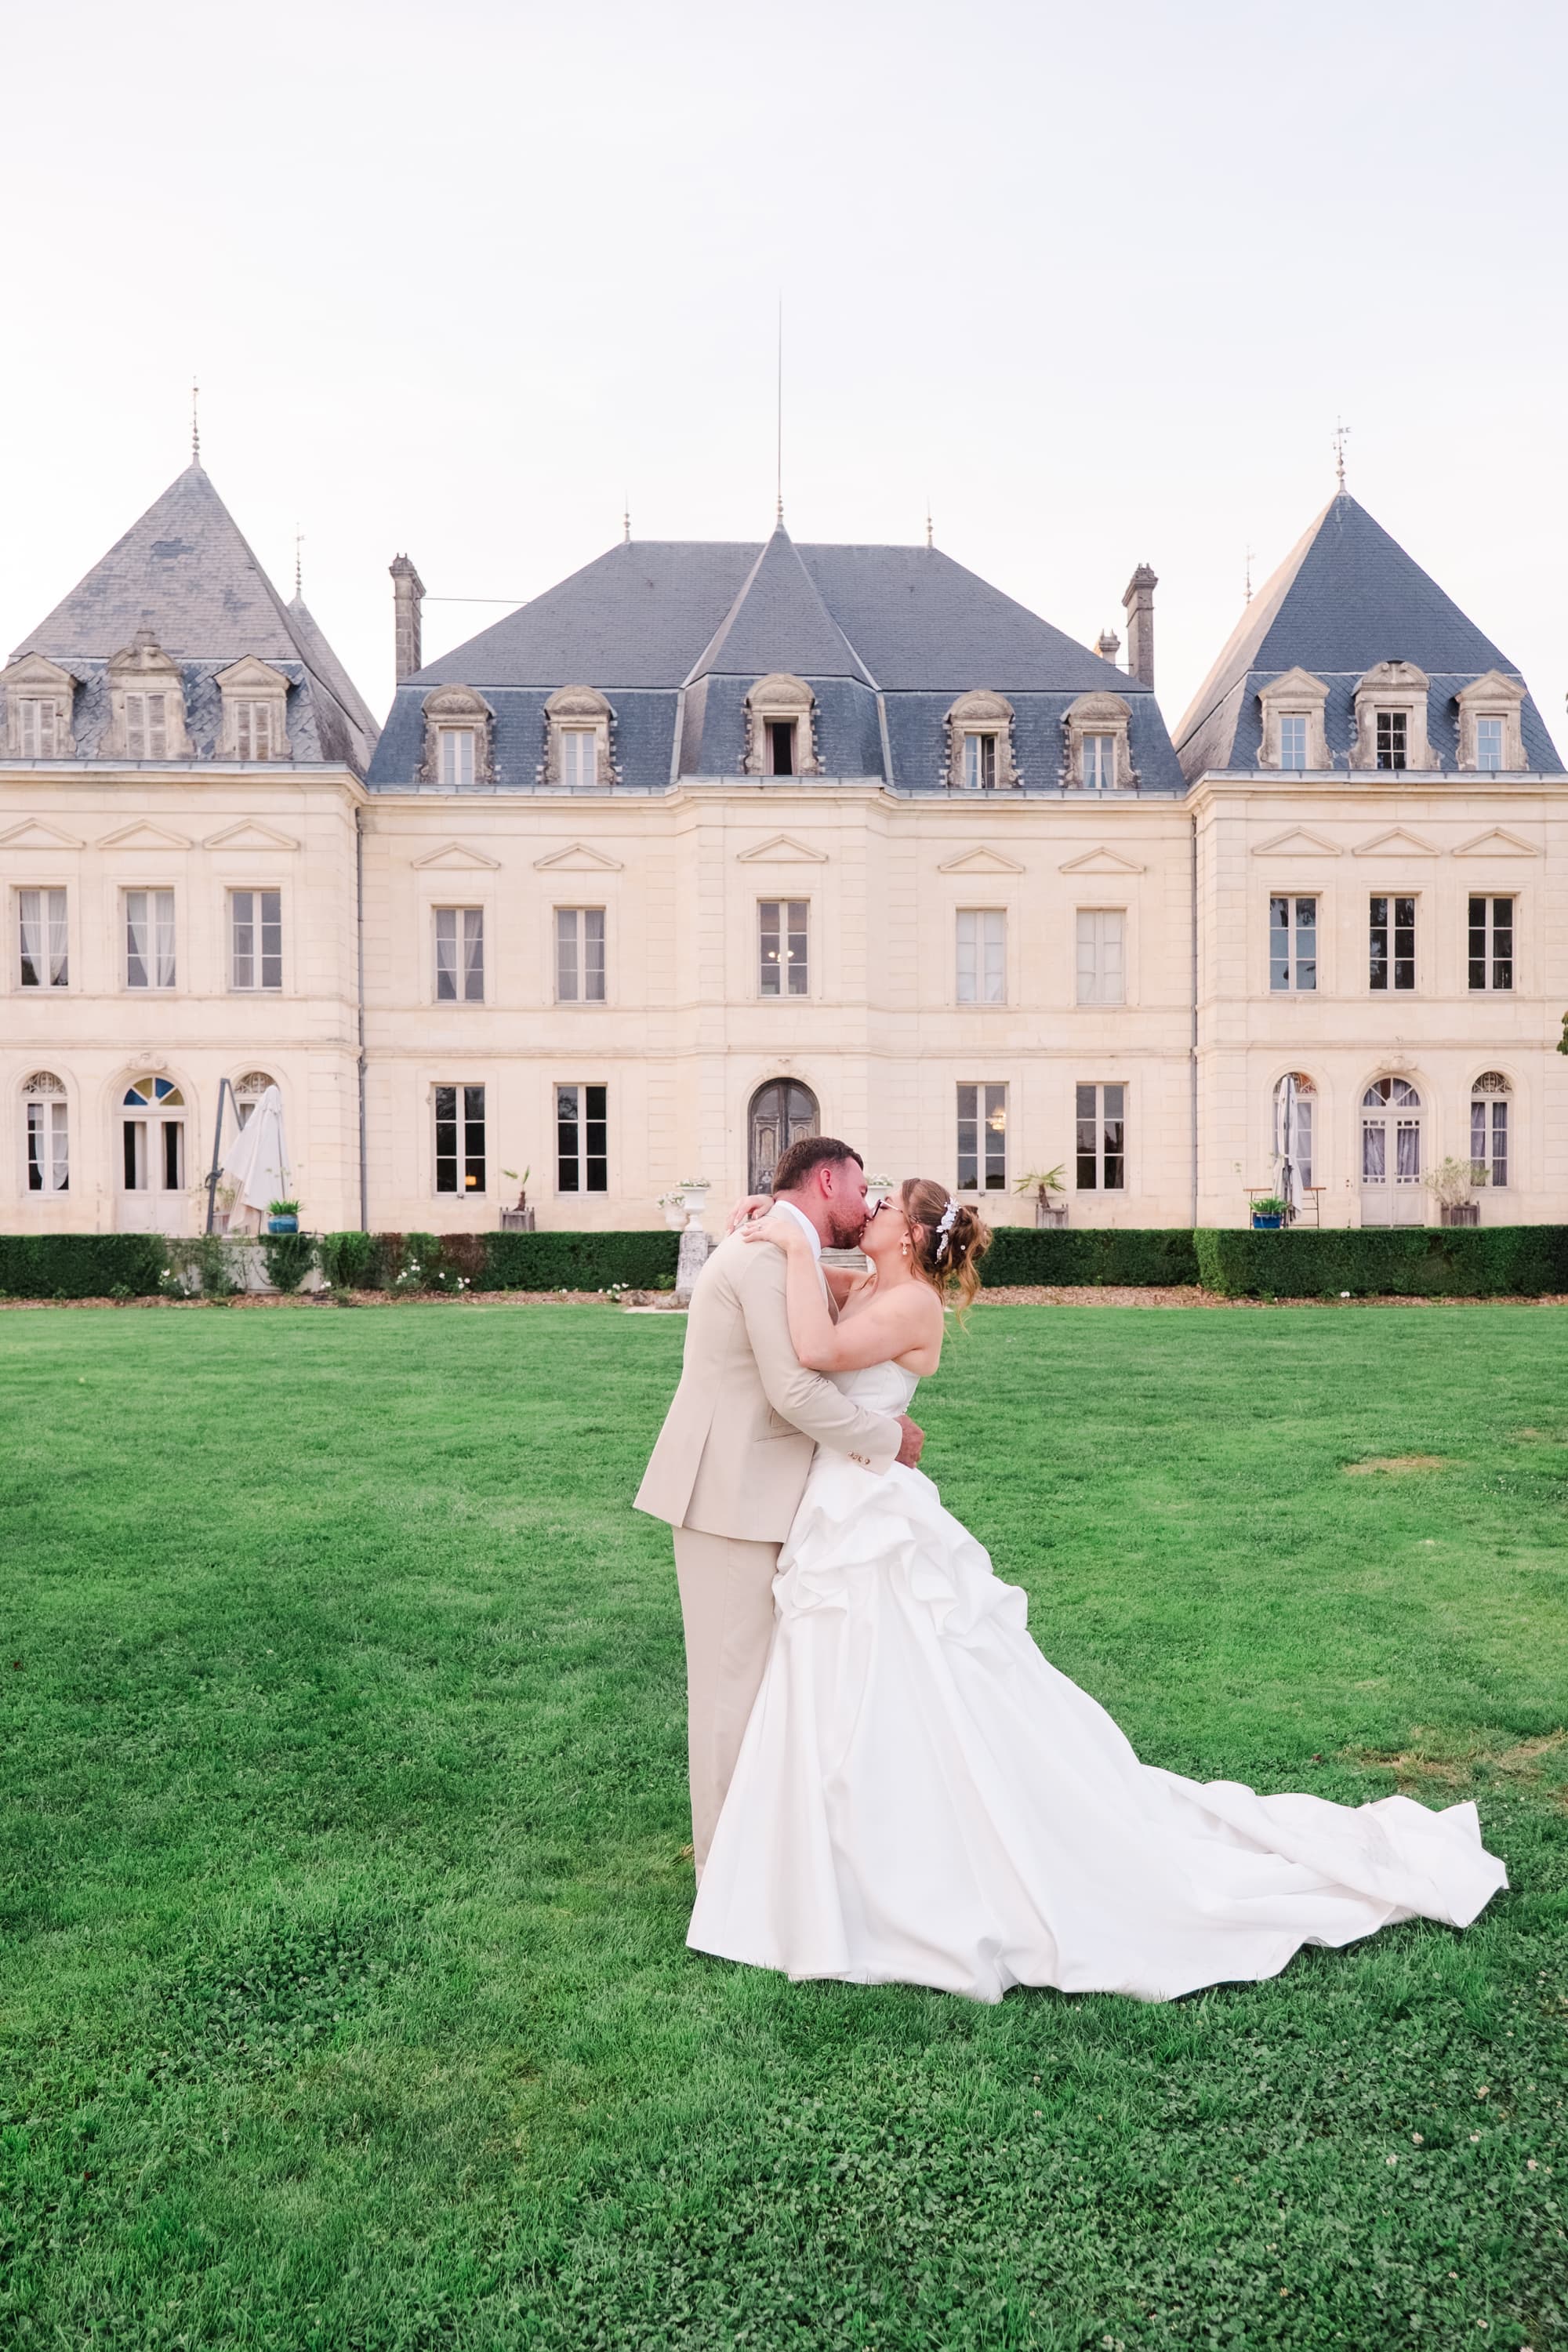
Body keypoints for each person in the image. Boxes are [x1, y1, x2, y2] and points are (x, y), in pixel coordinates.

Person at [686, 1177, 1508, 2004]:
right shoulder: (872, 1284)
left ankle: (892, 1863)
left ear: (907, 1236)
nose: (865, 1213)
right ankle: (831, 1851)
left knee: (892, 1675)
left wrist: (793, 1244)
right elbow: (806, 1293)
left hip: (864, 1510)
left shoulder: (911, 1309)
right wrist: (779, 1226)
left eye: (882, 1206)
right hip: (843, 1502)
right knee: (842, 1682)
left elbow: (818, 1353)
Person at [635, 1138, 926, 1877]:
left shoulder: (782, 1246)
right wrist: (886, 1439)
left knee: (765, 1686)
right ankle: (727, 1876)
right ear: (828, 1181)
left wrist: (781, 1225)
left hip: (758, 1495)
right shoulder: (766, 1255)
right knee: (732, 1693)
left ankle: (764, 1855)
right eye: (864, 1191)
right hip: (728, 1498)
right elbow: (794, 1391)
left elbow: (843, 1299)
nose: (867, 1208)